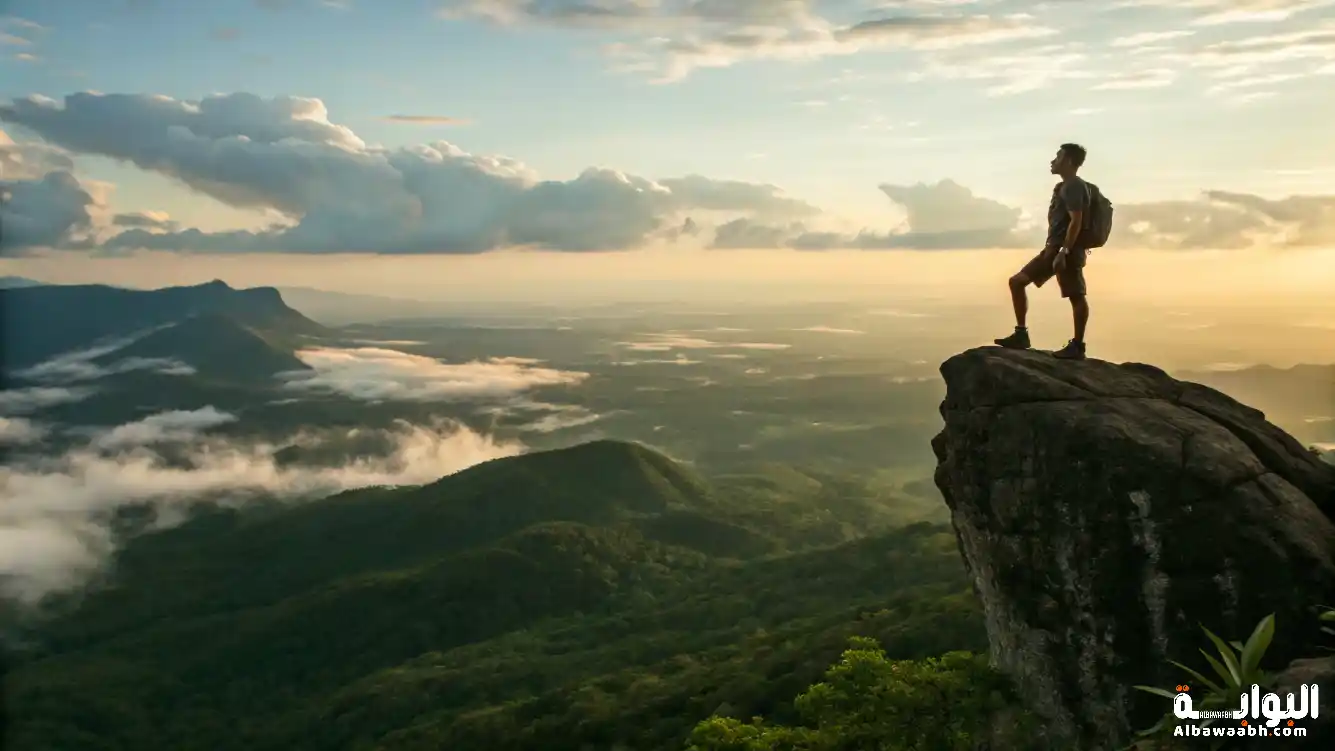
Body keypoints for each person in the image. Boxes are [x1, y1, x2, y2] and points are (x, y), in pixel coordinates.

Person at [994, 143, 1092, 359]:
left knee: (1076, 295)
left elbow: (1077, 221)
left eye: (1058, 156)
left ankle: (1077, 346)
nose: (1053, 160)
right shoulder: (1064, 186)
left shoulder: (1074, 186)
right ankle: (1021, 335)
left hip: (1066, 250)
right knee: (1017, 281)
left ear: (1068, 161)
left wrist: (1064, 252)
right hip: (1052, 249)